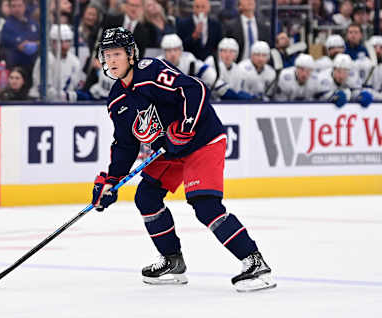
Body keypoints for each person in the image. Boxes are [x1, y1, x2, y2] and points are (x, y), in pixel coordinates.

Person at [91, 27, 276, 292]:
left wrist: (186, 126)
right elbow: (125, 145)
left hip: (202, 139)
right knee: (146, 197)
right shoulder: (116, 100)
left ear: (131, 54)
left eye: (117, 54)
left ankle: (255, 262)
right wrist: (110, 181)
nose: (111, 61)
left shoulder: (151, 72)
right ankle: (172, 261)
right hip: (169, 149)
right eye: (107, 55)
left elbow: (195, 89)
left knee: (205, 205)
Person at [30, 24, 83, 101]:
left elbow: (75, 86)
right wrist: (67, 96)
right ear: (52, 42)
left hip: (66, 104)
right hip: (41, 102)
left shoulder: (75, 61)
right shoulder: (45, 59)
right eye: (60, 41)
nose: (64, 45)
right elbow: (44, 90)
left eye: (67, 41)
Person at [0, 0, 40, 72]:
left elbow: (41, 40)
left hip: (34, 66)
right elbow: (21, 46)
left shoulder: (33, 23)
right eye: (14, 6)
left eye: (19, 5)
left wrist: (36, 44)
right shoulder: (7, 26)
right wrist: (31, 44)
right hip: (17, 68)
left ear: (24, 6)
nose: (17, 9)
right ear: (10, 8)